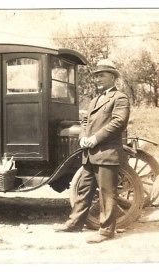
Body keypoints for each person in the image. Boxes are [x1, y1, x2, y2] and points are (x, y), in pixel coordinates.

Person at [53, 59, 130, 243]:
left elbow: (119, 122)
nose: (98, 79)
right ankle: (74, 224)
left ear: (113, 77)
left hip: (106, 153)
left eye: (102, 75)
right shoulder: (95, 99)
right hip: (89, 154)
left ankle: (105, 232)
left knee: (107, 194)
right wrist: (83, 136)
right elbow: (86, 121)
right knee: (83, 189)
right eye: (96, 76)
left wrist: (95, 138)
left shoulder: (120, 98)